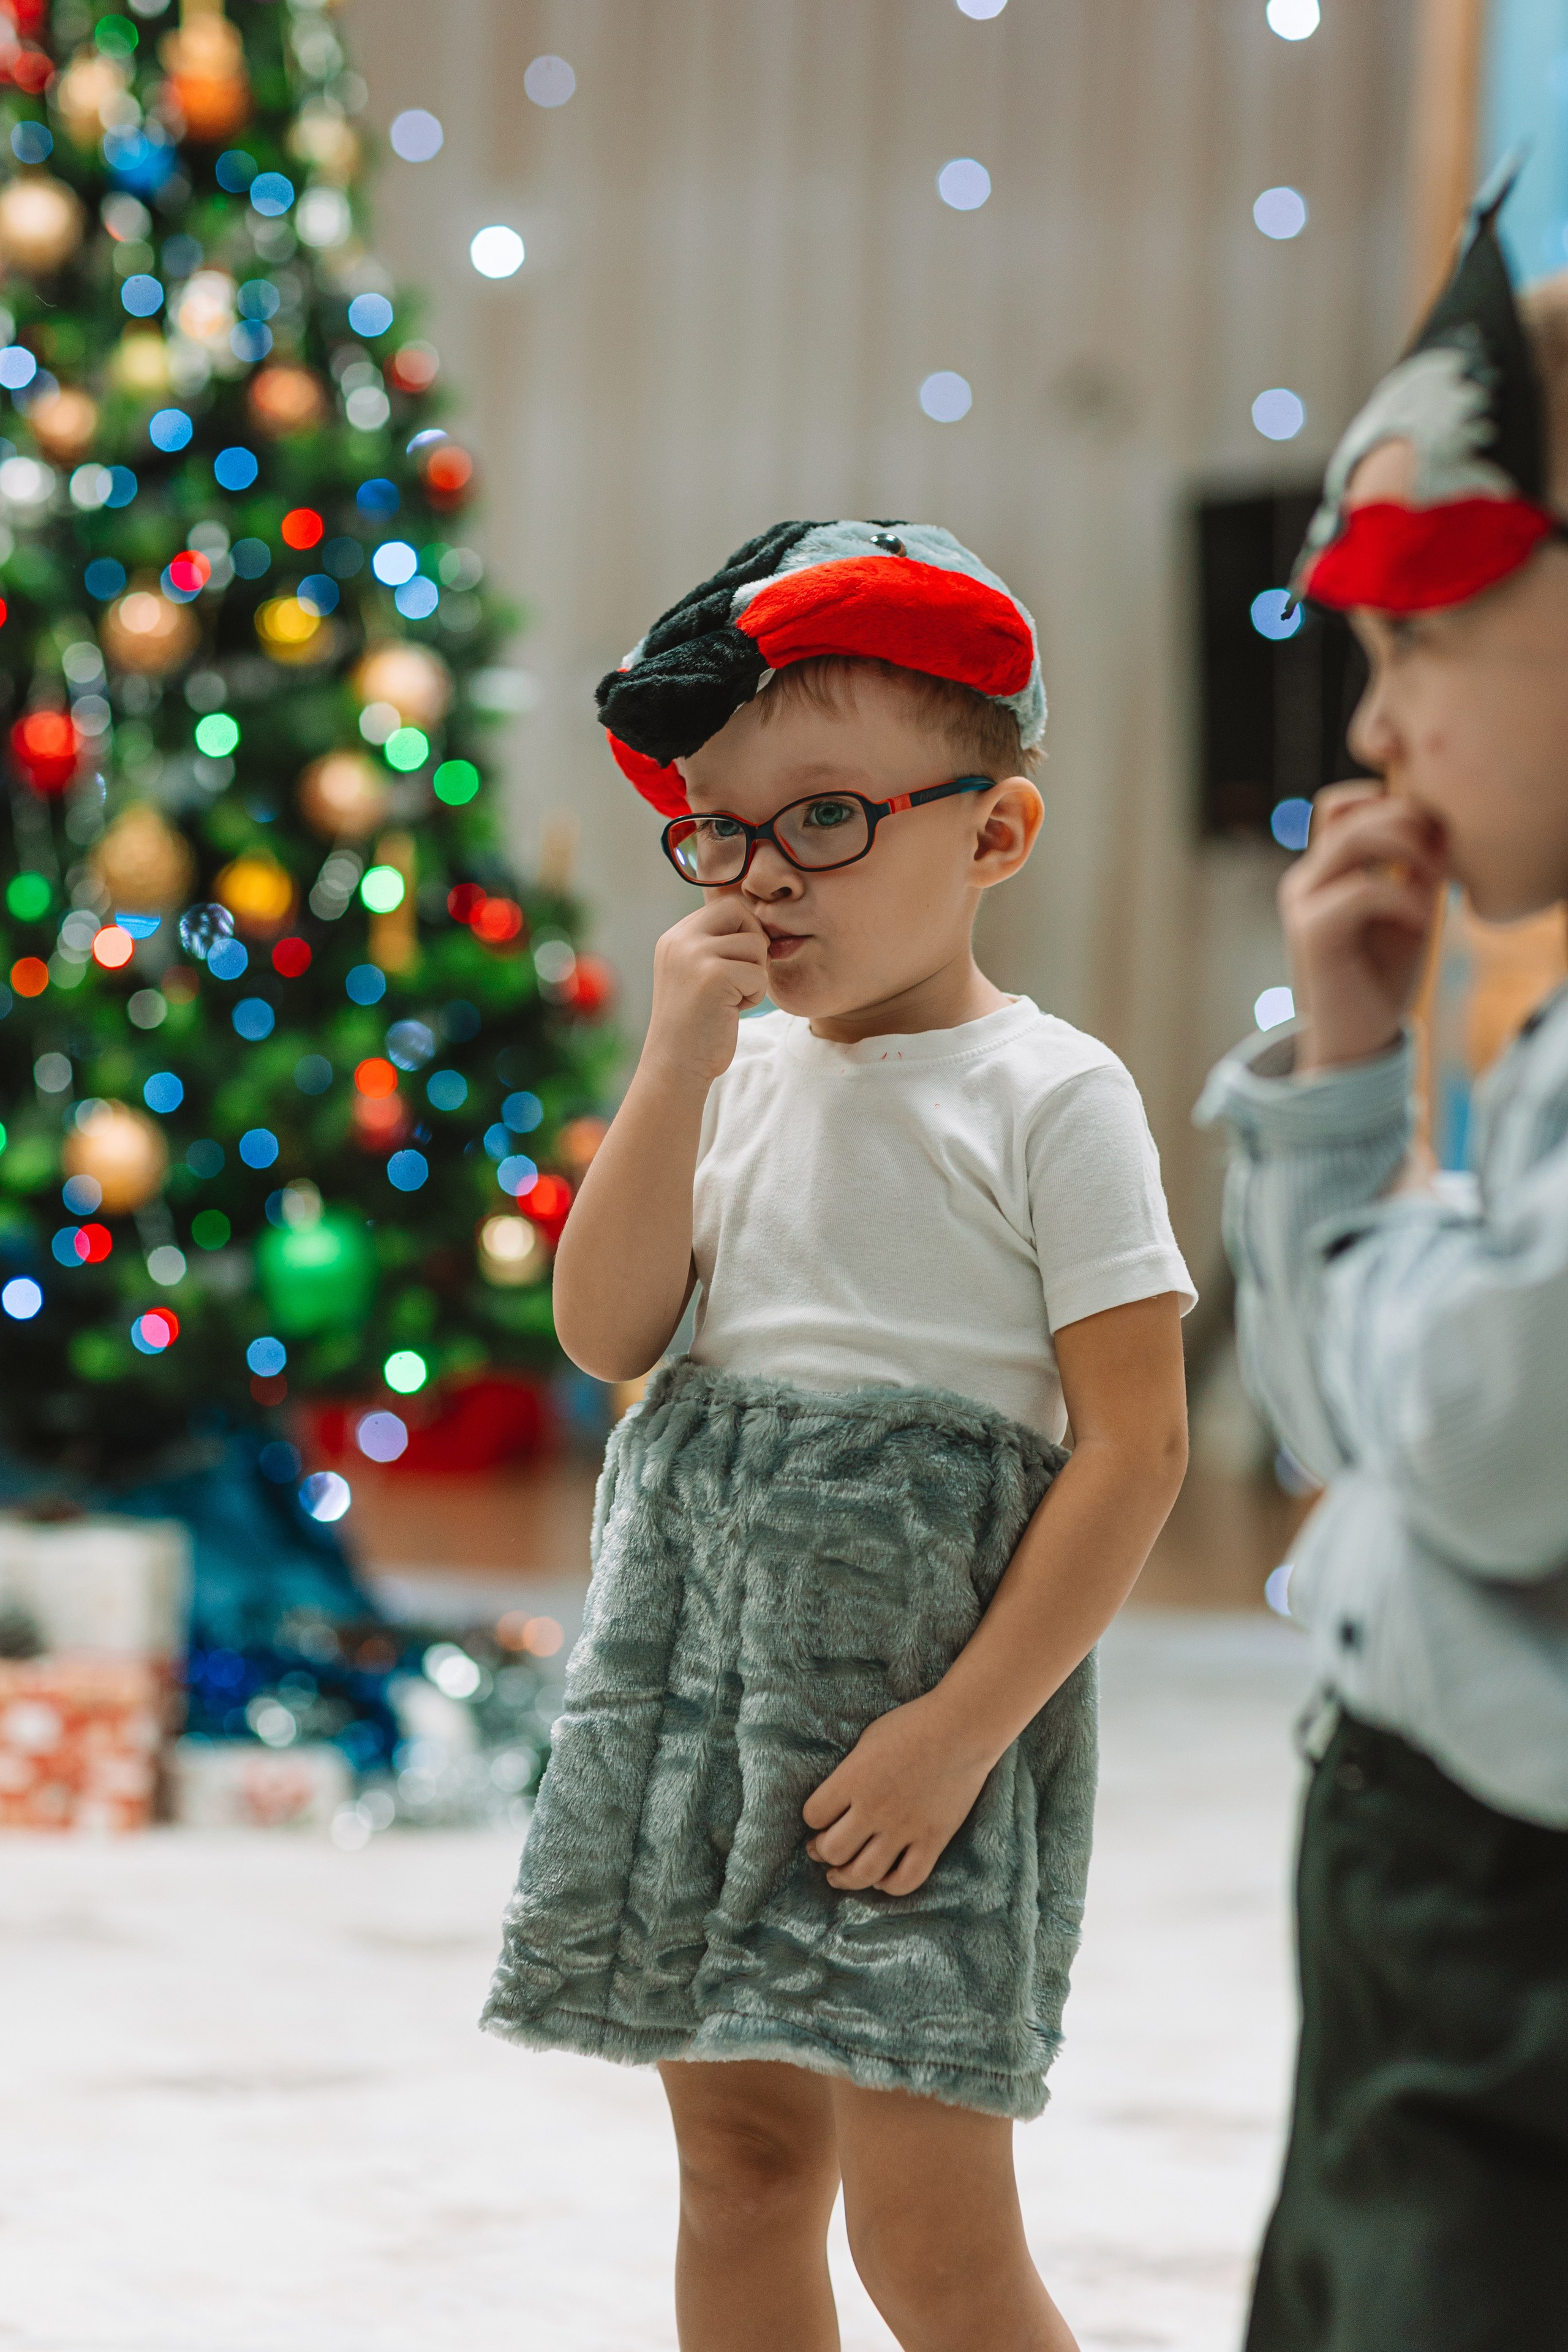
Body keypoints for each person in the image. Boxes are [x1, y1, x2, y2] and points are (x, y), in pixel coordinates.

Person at [482, 520, 1194, 2351]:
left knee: (932, 2237)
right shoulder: (733, 1073)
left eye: (824, 820)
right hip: (694, 1680)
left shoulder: (1055, 1095)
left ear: (995, 833)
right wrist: (668, 1071)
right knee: (735, 2171)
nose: (762, 878)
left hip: (915, 1714)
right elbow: (607, 1328)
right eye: (718, 829)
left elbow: (1134, 1453)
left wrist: (961, 1739)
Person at [1196, 184, 1568, 2352]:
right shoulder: (1529, 1041)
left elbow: (1485, 1441)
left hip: (1516, 1928)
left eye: (1418, 634)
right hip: (1430, 1888)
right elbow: (1376, 1441)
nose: (1370, 730)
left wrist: (1387, 1247)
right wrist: (1351, 1094)